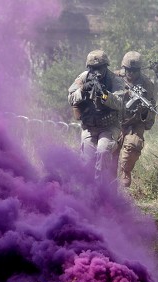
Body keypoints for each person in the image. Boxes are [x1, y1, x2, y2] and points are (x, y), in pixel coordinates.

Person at [68, 50, 125, 183]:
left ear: (106, 66)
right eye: (93, 68)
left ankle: (102, 191)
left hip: (109, 126)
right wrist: (82, 90)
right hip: (89, 126)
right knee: (87, 161)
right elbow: (70, 98)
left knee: (103, 151)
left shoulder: (115, 80)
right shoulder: (83, 77)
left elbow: (120, 103)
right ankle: (88, 194)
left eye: (99, 68)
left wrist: (105, 94)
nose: (96, 72)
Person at [116, 51, 156, 187]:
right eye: (128, 70)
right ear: (123, 68)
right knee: (108, 151)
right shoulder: (115, 78)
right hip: (114, 121)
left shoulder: (147, 84)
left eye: (134, 70)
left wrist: (144, 112)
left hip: (134, 122)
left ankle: (125, 171)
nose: (131, 73)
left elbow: (151, 108)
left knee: (134, 144)